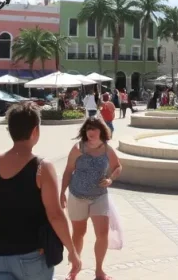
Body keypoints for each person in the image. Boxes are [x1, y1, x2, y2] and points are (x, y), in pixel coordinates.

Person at [0, 102, 80, 280]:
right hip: (31, 255)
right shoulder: (42, 168)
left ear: (10, 130)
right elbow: (55, 215)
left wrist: (1, 206)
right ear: (36, 131)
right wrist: (72, 252)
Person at [61, 118, 122, 280]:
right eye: (88, 129)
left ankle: (99, 271)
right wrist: (61, 193)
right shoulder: (78, 148)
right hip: (77, 195)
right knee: (79, 233)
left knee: (102, 233)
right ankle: (74, 270)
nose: (91, 132)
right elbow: (68, 171)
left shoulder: (107, 149)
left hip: (99, 197)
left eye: (94, 129)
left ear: (101, 131)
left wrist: (110, 179)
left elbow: (118, 167)